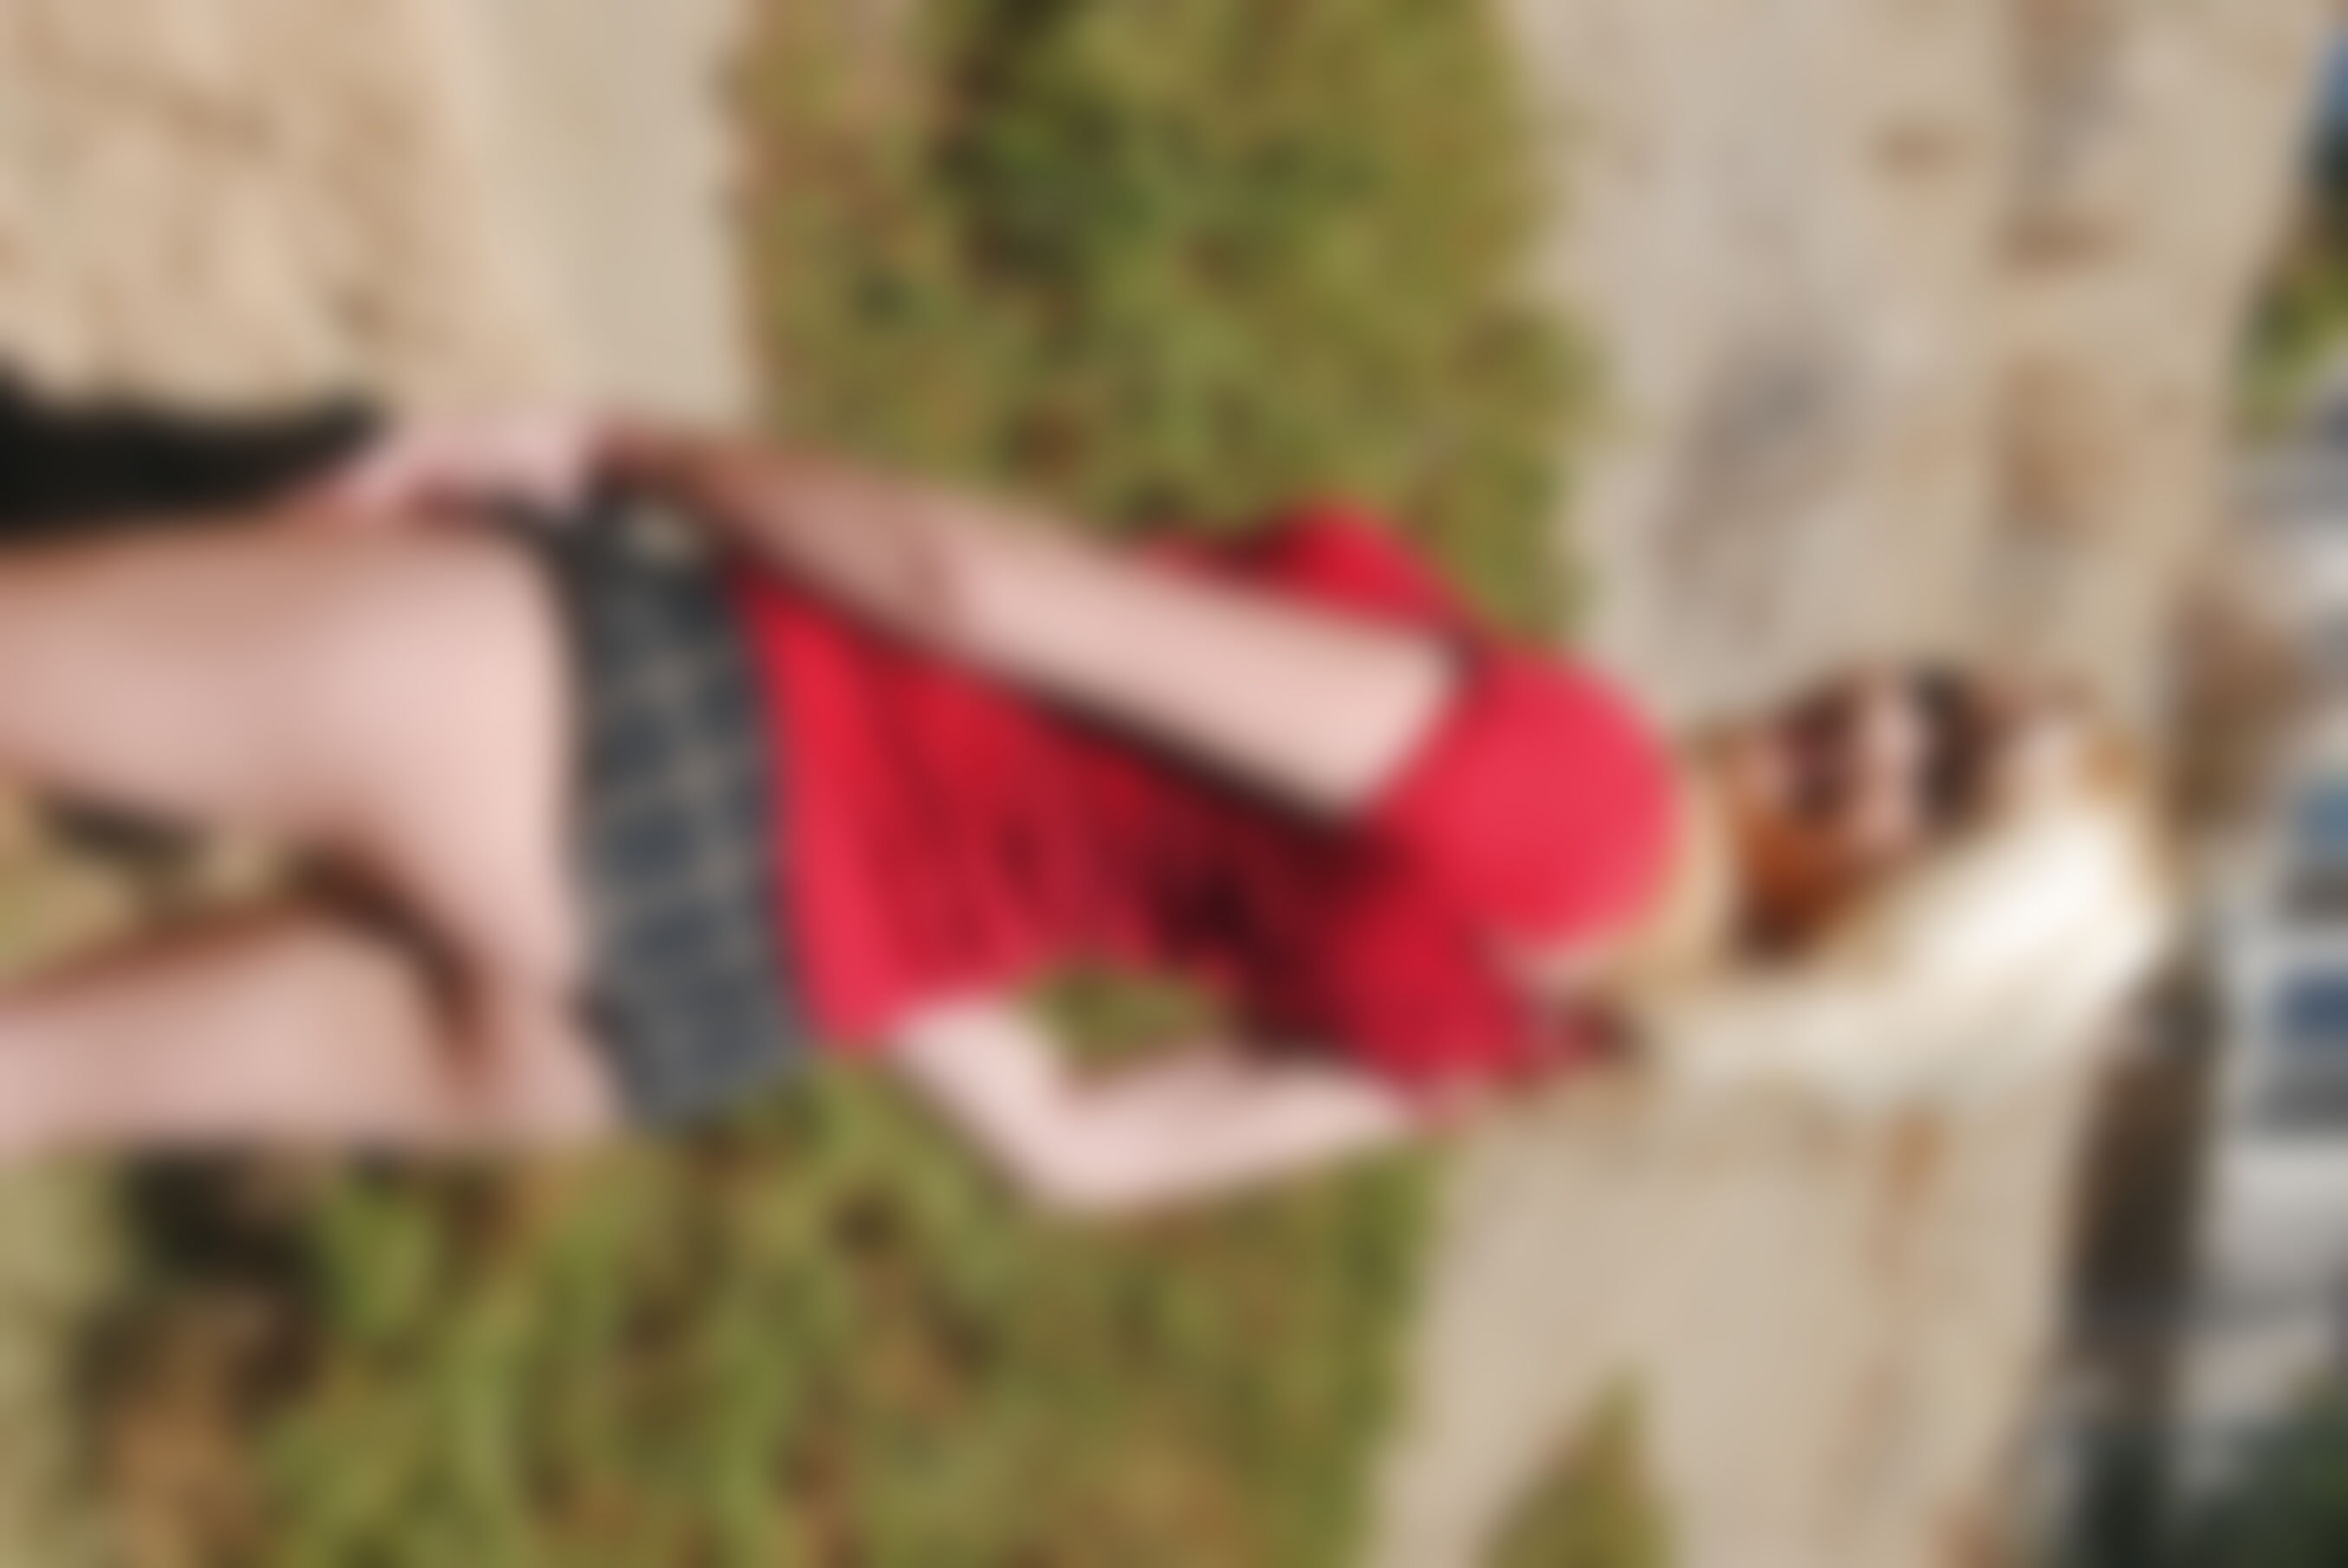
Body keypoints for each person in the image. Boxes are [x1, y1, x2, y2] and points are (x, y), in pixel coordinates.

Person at [0, 390, 2173, 1213]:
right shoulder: (1547, 1028)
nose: (1873, 736)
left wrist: (636, 451)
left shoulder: (1581, 787)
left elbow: (996, 600)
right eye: (1931, 704)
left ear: (1893, 933)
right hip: (697, 1003)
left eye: (1929, 799)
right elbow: (1070, 1143)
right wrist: (818, 919)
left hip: (684, 718)